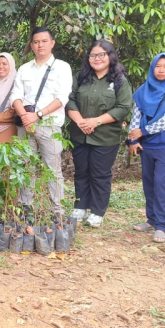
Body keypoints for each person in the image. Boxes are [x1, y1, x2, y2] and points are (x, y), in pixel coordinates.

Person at [66, 40, 133, 228]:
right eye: (93, 55)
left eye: (101, 55)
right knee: (81, 171)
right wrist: (80, 121)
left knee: (99, 173)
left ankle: (97, 210)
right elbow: (69, 100)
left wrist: (95, 121)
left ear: (110, 57)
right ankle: (80, 206)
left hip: (105, 136)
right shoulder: (80, 77)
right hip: (80, 134)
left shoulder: (119, 81)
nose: (97, 59)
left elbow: (123, 107)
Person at [10, 27, 73, 219]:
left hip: (49, 125)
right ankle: (25, 207)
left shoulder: (62, 67)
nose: (40, 45)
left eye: (44, 41)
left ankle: (58, 211)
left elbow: (62, 98)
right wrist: (25, 117)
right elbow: (15, 96)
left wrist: (37, 115)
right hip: (25, 124)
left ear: (52, 43)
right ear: (32, 45)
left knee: (52, 169)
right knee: (25, 166)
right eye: (36, 42)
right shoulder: (24, 69)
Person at [127, 53, 165, 243]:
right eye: (157, 66)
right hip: (147, 145)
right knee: (149, 182)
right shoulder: (144, 89)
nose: (161, 70)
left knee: (161, 183)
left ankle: (161, 225)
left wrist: (142, 131)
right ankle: (151, 220)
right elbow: (136, 114)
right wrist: (133, 140)